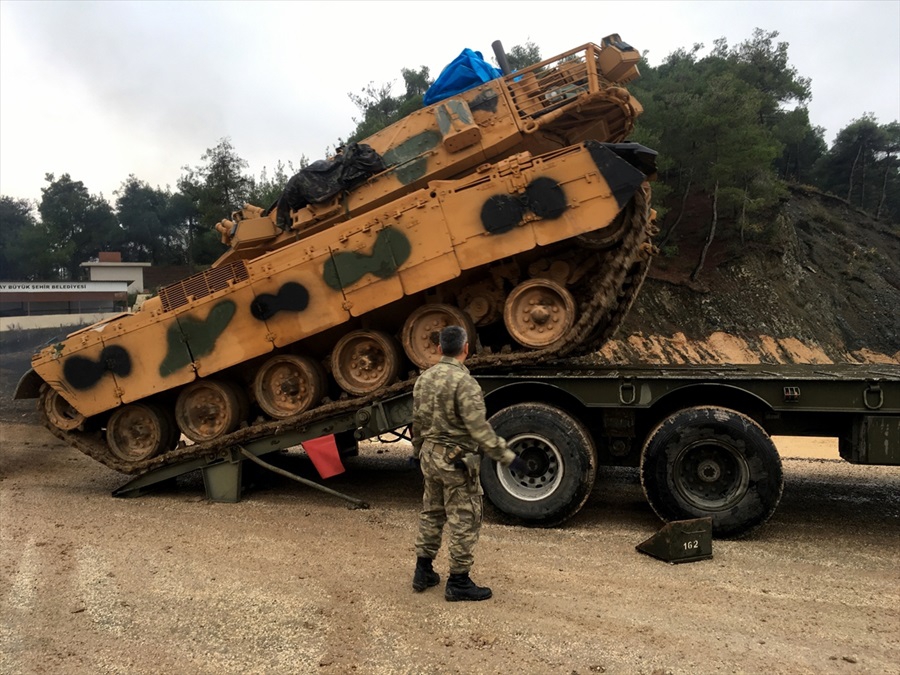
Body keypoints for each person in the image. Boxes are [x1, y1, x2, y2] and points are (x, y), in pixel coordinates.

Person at [410, 325, 527, 601]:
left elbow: (417, 422)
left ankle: (423, 570)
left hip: (430, 454)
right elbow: (479, 431)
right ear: (466, 349)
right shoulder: (466, 384)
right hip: (456, 460)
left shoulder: (423, 379)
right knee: (465, 518)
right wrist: (509, 458)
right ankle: (459, 581)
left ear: (439, 349)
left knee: (432, 512)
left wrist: (417, 453)